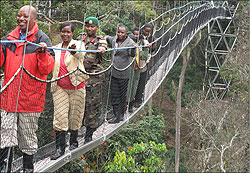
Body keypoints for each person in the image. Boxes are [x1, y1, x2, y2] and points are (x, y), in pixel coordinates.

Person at [0, 5, 55, 172]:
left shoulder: (41, 38)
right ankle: (4, 168)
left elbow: (47, 69)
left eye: (25, 16)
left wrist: (42, 53)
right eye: (19, 16)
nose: (21, 19)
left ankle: (28, 168)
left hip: (30, 98)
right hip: (9, 96)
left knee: (27, 135)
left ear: (34, 19)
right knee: (5, 133)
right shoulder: (10, 37)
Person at [50, 22, 89, 160]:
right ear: (60, 33)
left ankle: (73, 142)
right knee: (60, 117)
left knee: (75, 116)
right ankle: (60, 148)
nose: (65, 34)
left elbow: (80, 53)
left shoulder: (78, 44)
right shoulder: (55, 49)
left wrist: (73, 51)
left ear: (72, 33)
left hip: (77, 87)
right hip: (60, 87)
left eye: (68, 32)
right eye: (63, 31)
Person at [77, 17, 107, 144]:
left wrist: (102, 49)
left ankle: (89, 134)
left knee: (91, 105)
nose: (90, 28)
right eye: (88, 26)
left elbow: (103, 46)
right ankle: (76, 132)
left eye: (92, 27)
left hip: (93, 77)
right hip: (79, 75)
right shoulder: (80, 38)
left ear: (97, 28)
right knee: (78, 104)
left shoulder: (100, 39)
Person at [106, 25, 136, 123]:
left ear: (126, 33)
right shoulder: (114, 39)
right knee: (114, 94)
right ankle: (116, 115)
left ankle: (120, 115)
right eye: (118, 32)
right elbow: (107, 38)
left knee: (122, 95)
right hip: (113, 72)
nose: (120, 34)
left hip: (123, 73)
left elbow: (132, 54)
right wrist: (102, 38)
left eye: (122, 32)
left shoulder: (130, 43)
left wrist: (133, 48)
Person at [127, 27, 150, 112]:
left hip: (140, 68)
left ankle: (133, 103)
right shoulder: (128, 42)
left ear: (140, 34)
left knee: (136, 87)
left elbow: (144, 56)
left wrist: (146, 48)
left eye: (137, 34)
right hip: (129, 69)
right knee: (129, 86)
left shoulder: (143, 43)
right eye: (134, 34)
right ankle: (128, 104)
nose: (136, 36)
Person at [134, 23, 156, 107]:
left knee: (142, 83)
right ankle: (131, 101)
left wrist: (154, 43)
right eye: (145, 31)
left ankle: (138, 100)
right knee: (135, 82)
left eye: (148, 31)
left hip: (145, 62)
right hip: (137, 62)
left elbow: (153, 50)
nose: (147, 33)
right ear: (142, 30)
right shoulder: (138, 36)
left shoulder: (151, 38)